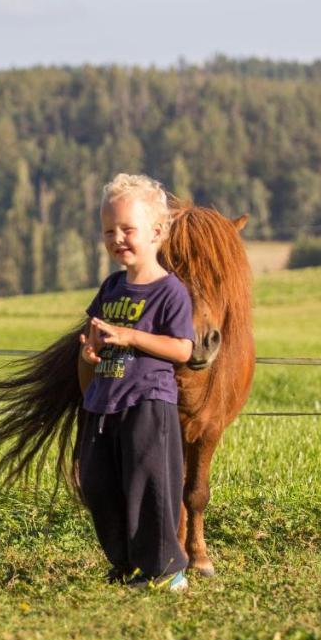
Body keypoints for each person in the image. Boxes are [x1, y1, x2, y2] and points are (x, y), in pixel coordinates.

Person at [77, 173, 194, 591]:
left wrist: (130, 336)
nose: (117, 238)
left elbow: (183, 349)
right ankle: (129, 566)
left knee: (150, 487)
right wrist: (89, 351)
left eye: (128, 229)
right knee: (97, 484)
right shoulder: (110, 287)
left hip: (147, 403)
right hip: (104, 402)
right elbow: (92, 336)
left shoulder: (170, 292)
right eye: (109, 231)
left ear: (157, 232)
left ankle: (167, 569)